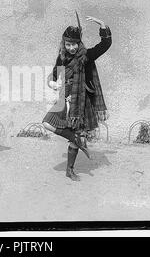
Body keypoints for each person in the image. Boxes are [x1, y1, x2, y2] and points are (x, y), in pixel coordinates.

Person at [42, 13, 111, 181]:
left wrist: (102, 25)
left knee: (77, 132)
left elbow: (105, 44)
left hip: (81, 102)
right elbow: (53, 75)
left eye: (74, 44)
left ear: (79, 43)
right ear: (64, 44)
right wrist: (52, 84)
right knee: (46, 123)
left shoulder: (86, 56)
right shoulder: (62, 57)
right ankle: (76, 139)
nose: (71, 47)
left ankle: (70, 170)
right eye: (68, 44)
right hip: (64, 98)